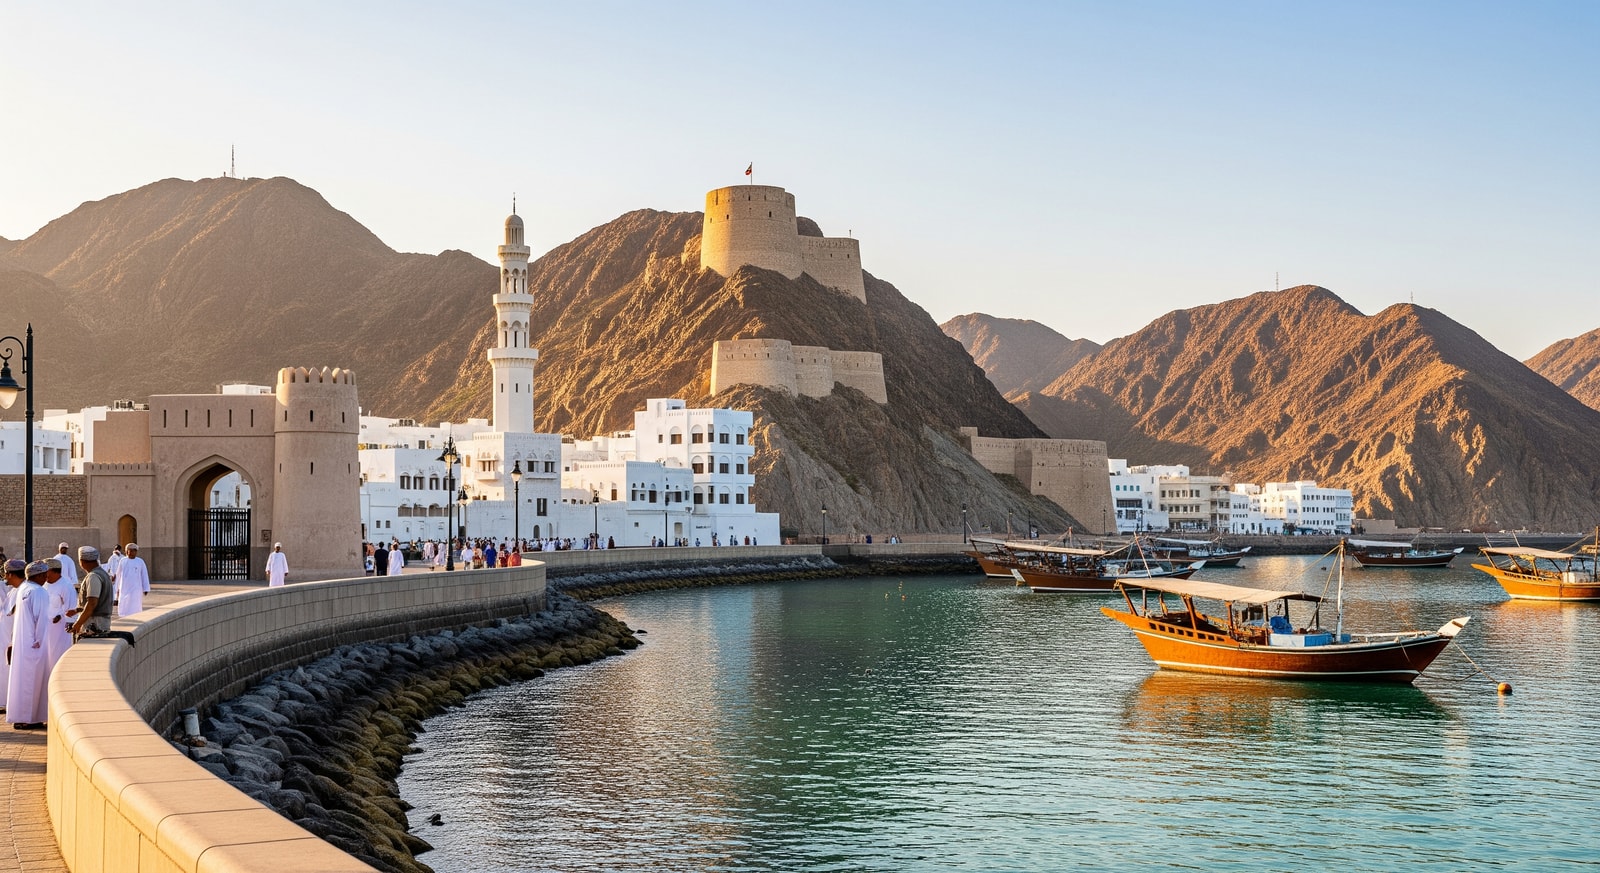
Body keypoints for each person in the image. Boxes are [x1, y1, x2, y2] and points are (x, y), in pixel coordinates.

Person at [8, 561, 52, 730]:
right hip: (34, 644)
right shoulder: (39, 591)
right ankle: (29, 718)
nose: (47, 578)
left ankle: (22, 716)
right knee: (33, 681)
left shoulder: (23, 589)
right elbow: (40, 620)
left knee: (23, 680)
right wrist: (39, 641)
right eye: (45, 575)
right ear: (39, 576)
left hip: (22, 643)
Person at [67, 546, 115, 640]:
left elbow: (92, 603)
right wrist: (77, 610)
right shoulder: (102, 573)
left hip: (94, 623)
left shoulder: (93, 576)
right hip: (99, 622)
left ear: (82, 561)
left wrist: (78, 623)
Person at [41, 557, 76, 671]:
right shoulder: (44, 584)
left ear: (55, 571)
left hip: (60, 630)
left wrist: (61, 616)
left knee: (57, 658)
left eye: (47, 572)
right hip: (45, 628)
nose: (45, 575)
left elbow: (71, 610)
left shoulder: (66, 586)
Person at [0, 559, 23, 709]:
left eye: (6, 574)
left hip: (12, 638)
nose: (4, 577)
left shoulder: (23, 591)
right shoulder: (14, 590)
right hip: (4, 636)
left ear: (11, 574)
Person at [115, 543, 150, 615]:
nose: (131, 552)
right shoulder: (123, 561)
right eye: (129, 551)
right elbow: (118, 575)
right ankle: (123, 616)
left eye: (133, 551)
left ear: (136, 552)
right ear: (126, 551)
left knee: (135, 604)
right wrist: (116, 588)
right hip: (124, 588)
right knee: (124, 604)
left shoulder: (140, 561)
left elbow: (144, 575)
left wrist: (146, 588)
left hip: (136, 588)